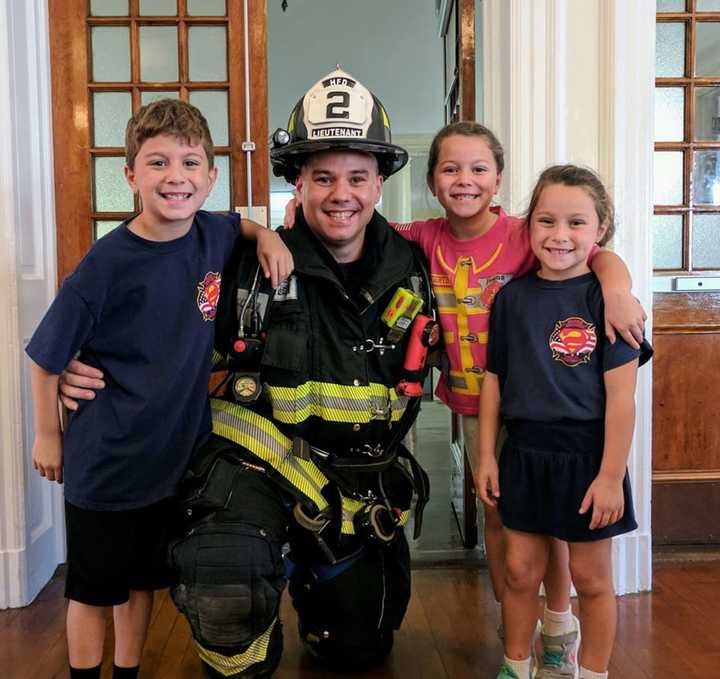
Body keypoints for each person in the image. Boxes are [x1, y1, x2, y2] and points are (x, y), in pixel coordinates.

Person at [61, 69, 436, 678]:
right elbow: (146, 321)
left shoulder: (421, 267)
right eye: (322, 178)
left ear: (379, 184)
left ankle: (322, 589)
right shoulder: (243, 266)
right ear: (297, 181)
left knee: (357, 649)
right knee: (223, 579)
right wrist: (79, 365)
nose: (340, 194)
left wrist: (608, 271)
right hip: (251, 473)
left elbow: (534, 256)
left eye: (357, 178)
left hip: (356, 484)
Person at [285, 120, 647, 671]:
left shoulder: (528, 232)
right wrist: (290, 222)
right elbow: (360, 223)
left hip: (541, 410)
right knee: (504, 520)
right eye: (450, 169)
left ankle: (556, 622)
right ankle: (516, 622)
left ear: (498, 178)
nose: (465, 180)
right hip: (477, 401)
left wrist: (617, 287)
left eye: (479, 168)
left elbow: (591, 249)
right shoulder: (422, 237)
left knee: (553, 523)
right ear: (431, 181)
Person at [26, 98, 292, 679]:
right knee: (95, 591)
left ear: (210, 177)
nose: (176, 177)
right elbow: (46, 355)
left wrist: (266, 236)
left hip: (169, 462)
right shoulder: (106, 264)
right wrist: (48, 434)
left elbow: (238, 225)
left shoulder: (210, 234)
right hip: (108, 464)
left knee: (142, 583)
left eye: (191, 163)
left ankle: (128, 672)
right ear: (130, 176)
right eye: (157, 163)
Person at [474, 164, 652, 679]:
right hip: (524, 452)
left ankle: (591, 672)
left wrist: (609, 476)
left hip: (588, 456)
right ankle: (516, 666)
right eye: (546, 221)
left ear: (600, 230)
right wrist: (487, 454)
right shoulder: (511, 299)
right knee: (519, 571)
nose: (559, 235)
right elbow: (494, 381)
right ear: (529, 227)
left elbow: (622, 401)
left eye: (576, 223)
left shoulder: (611, 303)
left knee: (592, 579)